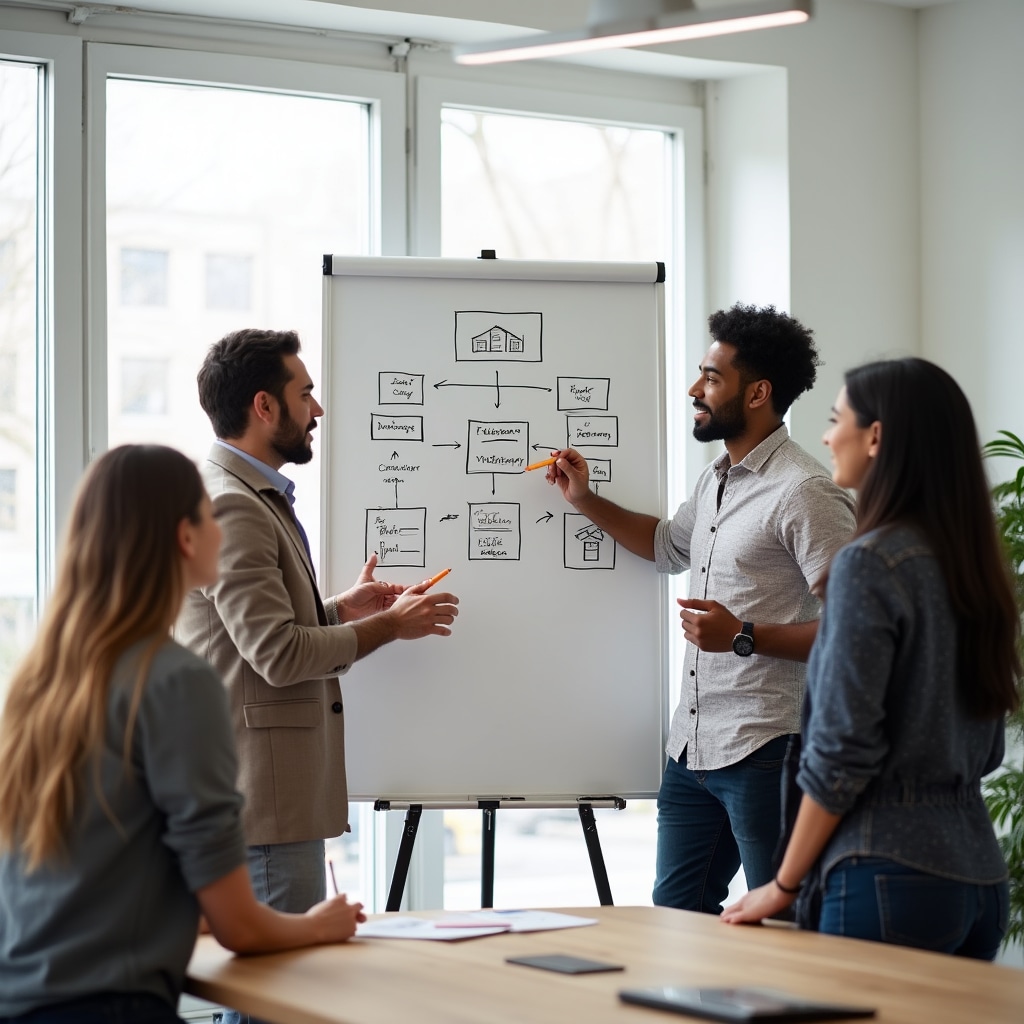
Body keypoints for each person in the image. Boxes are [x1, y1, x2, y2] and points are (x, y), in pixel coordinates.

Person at [0, 445, 366, 1024]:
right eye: (207, 515)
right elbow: (240, 928)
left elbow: (96, 887)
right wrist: (319, 923)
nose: (223, 529)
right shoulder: (174, 681)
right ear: (185, 537)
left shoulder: (40, 680)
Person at [546, 303, 855, 914]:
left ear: (759, 392)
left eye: (712, 377)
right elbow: (666, 546)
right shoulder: (717, 479)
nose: (696, 388)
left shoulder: (806, 492)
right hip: (691, 748)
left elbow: (854, 630)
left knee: (783, 921)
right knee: (677, 919)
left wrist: (743, 636)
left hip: (768, 748)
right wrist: (585, 500)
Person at [721, 358, 1020, 959]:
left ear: (876, 436)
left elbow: (839, 754)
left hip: (883, 873)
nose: (828, 437)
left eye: (837, 420)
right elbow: (986, 748)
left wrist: (782, 884)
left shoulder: (869, 564)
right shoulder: (974, 564)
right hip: (980, 878)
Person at [176, 328, 458, 917]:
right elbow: (276, 655)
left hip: (258, 800)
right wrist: (390, 627)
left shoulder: (236, 494)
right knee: (270, 995)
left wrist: (338, 611)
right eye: (305, 393)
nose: (318, 409)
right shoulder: (235, 504)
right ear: (264, 405)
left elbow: (244, 635)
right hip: (265, 806)